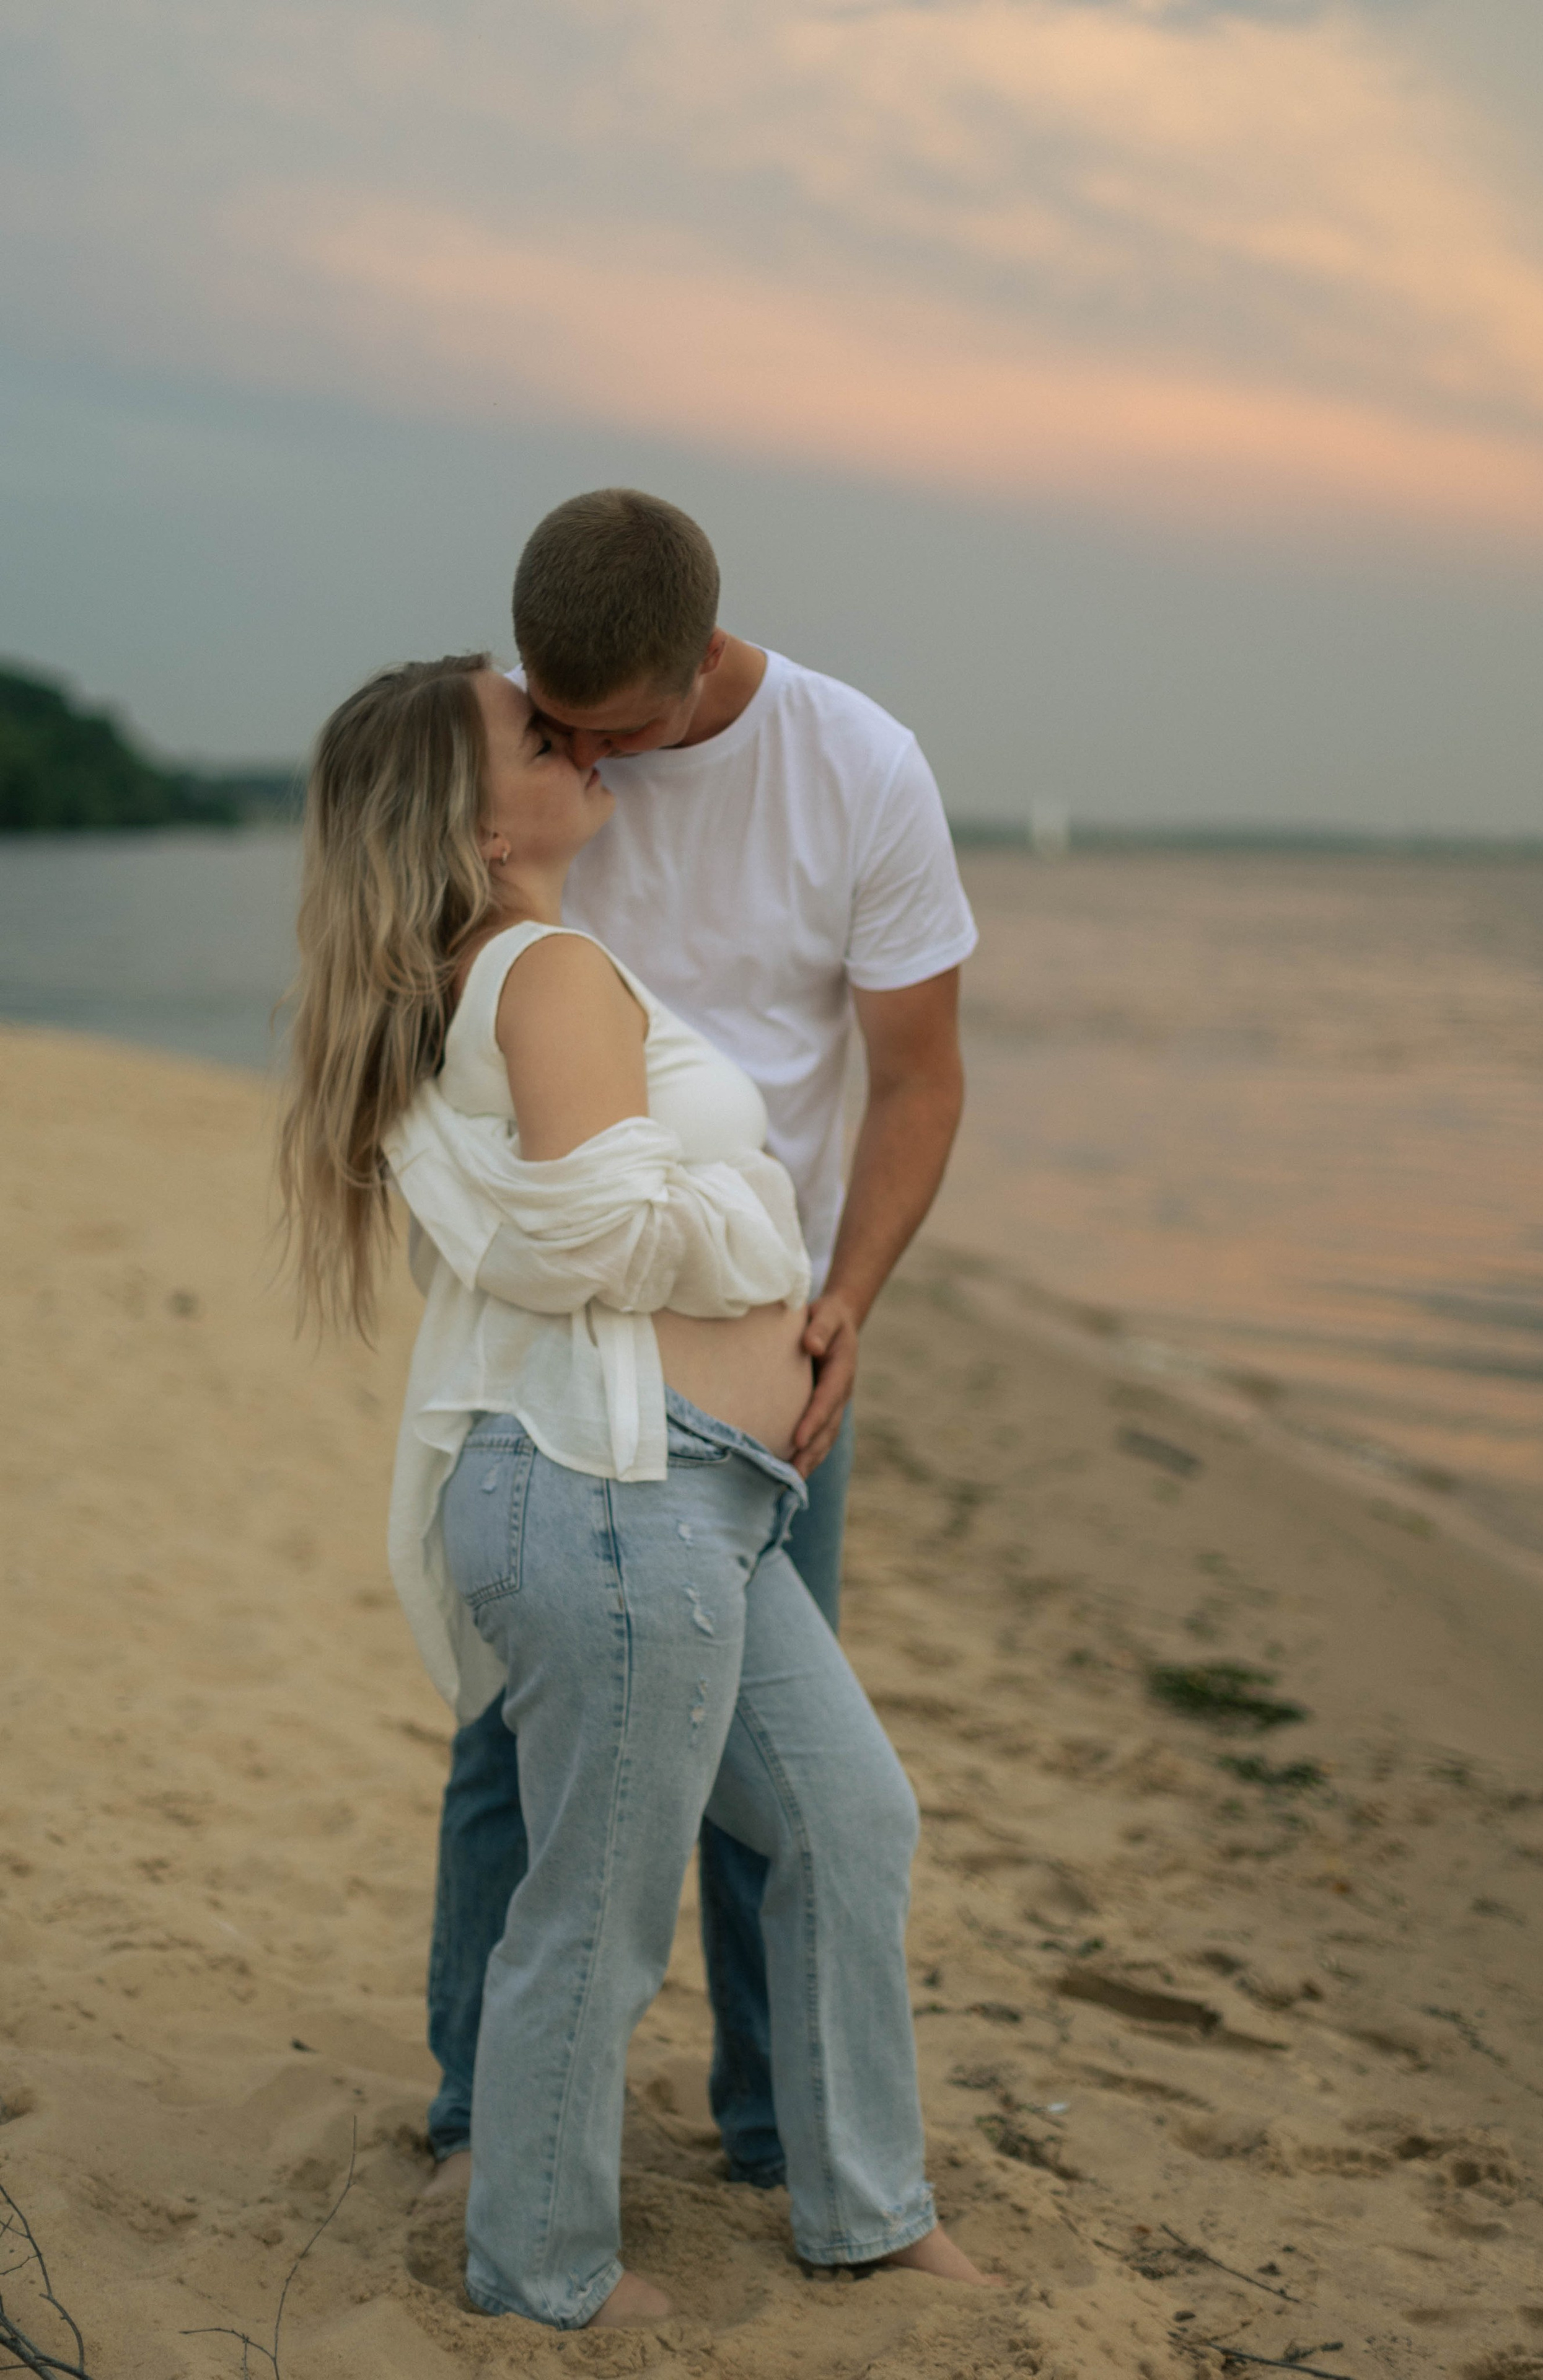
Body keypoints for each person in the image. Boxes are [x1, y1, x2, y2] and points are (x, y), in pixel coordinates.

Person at [277, 653, 995, 2325]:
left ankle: (869, 2214)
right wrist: (754, 1234)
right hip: (621, 1499)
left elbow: (557, 1223)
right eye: (538, 736)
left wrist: (731, 1247)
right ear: (473, 816)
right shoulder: (547, 971)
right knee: (598, 1907)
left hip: (694, 1501)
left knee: (847, 1820)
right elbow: (589, 1233)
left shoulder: (501, 972)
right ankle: (539, 2272)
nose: (576, 742)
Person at [427, 489, 978, 2197]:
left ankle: (770, 2134)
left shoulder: (859, 768)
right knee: (523, 1736)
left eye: (618, 727)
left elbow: (919, 1078)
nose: (586, 751)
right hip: (567, 1338)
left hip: (773, 1362)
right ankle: (473, 2119)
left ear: (700, 660)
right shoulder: (515, 752)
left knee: (783, 1748)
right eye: (556, 714)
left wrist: (849, 1302)